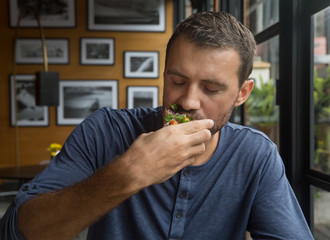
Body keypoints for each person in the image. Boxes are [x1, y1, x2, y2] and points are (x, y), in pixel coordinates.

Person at [1, 11, 313, 240]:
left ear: (242, 93)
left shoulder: (255, 155)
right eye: (177, 81)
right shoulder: (105, 131)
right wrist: (127, 174)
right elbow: (15, 230)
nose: (189, 101)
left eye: (211, 88)